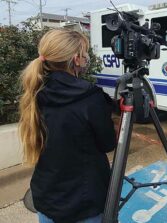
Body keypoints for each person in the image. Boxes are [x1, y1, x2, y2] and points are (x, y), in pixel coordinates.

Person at [19, 29, 116, 223]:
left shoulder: (36, 89)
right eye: (85, 53)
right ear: (76, 59)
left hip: (46, 198)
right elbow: (108, 144)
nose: (87, 57)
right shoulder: (90, 97)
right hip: (86, 203)